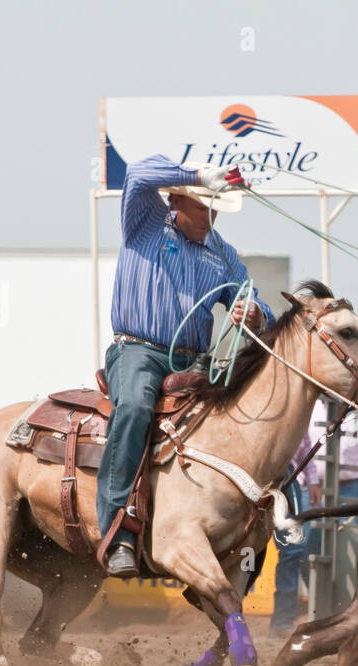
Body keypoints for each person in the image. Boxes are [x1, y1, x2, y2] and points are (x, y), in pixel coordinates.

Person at [96, 156, 273, 577]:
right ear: (175, 200)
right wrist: (196, 174)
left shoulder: (222, 254)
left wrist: (254, 315)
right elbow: (138, 173)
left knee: (244, 417)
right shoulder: (145, 223)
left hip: (193, 361)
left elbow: (255, 299)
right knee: (135, 408)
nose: (211, 216)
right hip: (137, 351)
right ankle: (118, 530)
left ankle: (236, 526)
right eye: (203, 205)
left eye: (215, 207)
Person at [271, 431, 322, 637]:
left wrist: (312, 481)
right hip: (257, 469)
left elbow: (306, 449)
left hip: (288, 475)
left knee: (293, 550)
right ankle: (231, 616)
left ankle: (283, 622)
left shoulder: (300, 409)